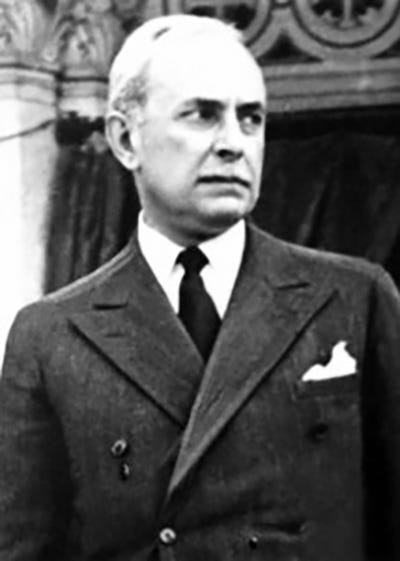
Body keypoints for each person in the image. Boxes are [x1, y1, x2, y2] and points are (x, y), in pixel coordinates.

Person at [0, 14, 400, 561]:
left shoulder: (354, 299)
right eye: (203, 115)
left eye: (251, 118)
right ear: (125, 139)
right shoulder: (51, 336)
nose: (234, 143)